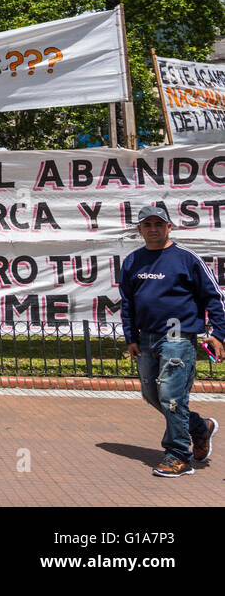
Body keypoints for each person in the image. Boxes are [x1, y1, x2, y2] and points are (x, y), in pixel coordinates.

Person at [121, 203, 225, 477]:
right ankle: (200, 428)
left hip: (179, 335)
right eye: (147, 225)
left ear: (170, 227)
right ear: (139, 230)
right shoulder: (132, 261)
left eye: (159, 224)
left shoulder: (187, 259)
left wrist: (218, 334)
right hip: (145, 339)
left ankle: (179, 456)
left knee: (171, 397)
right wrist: (131, 337)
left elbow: (214, 298)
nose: (153, 229)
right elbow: (128, 304)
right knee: (153, 396)